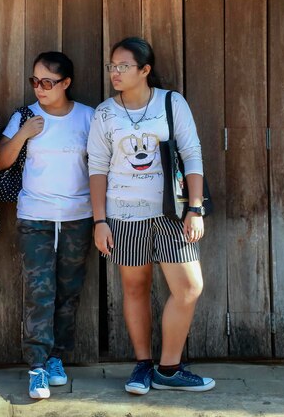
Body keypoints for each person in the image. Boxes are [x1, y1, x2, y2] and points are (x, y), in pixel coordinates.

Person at [87, 37, 215, 393]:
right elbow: (97, 167)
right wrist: (99, 220)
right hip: (124, 214)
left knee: (189, 287)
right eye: (112, 66)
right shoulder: (105, 113)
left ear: (144, 70)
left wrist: (195, 207)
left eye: (123, 66)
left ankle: (169, 369)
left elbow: (192, 154)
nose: (115, 72)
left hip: (172, 214)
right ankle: (143, 365)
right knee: (135, 287)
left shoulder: (171, 103)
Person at [0, 52, 94, 399]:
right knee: (39, 291)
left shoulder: (88, 117)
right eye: (34, 81)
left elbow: (100, 166)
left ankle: (56, 358)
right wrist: (23, 133)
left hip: (77, 217)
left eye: (47, 83)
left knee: (68, 293)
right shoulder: (26, 115)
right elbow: (1, 160)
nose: (39, 88)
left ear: (66, 83)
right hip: (34, 215)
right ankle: (36, 366)